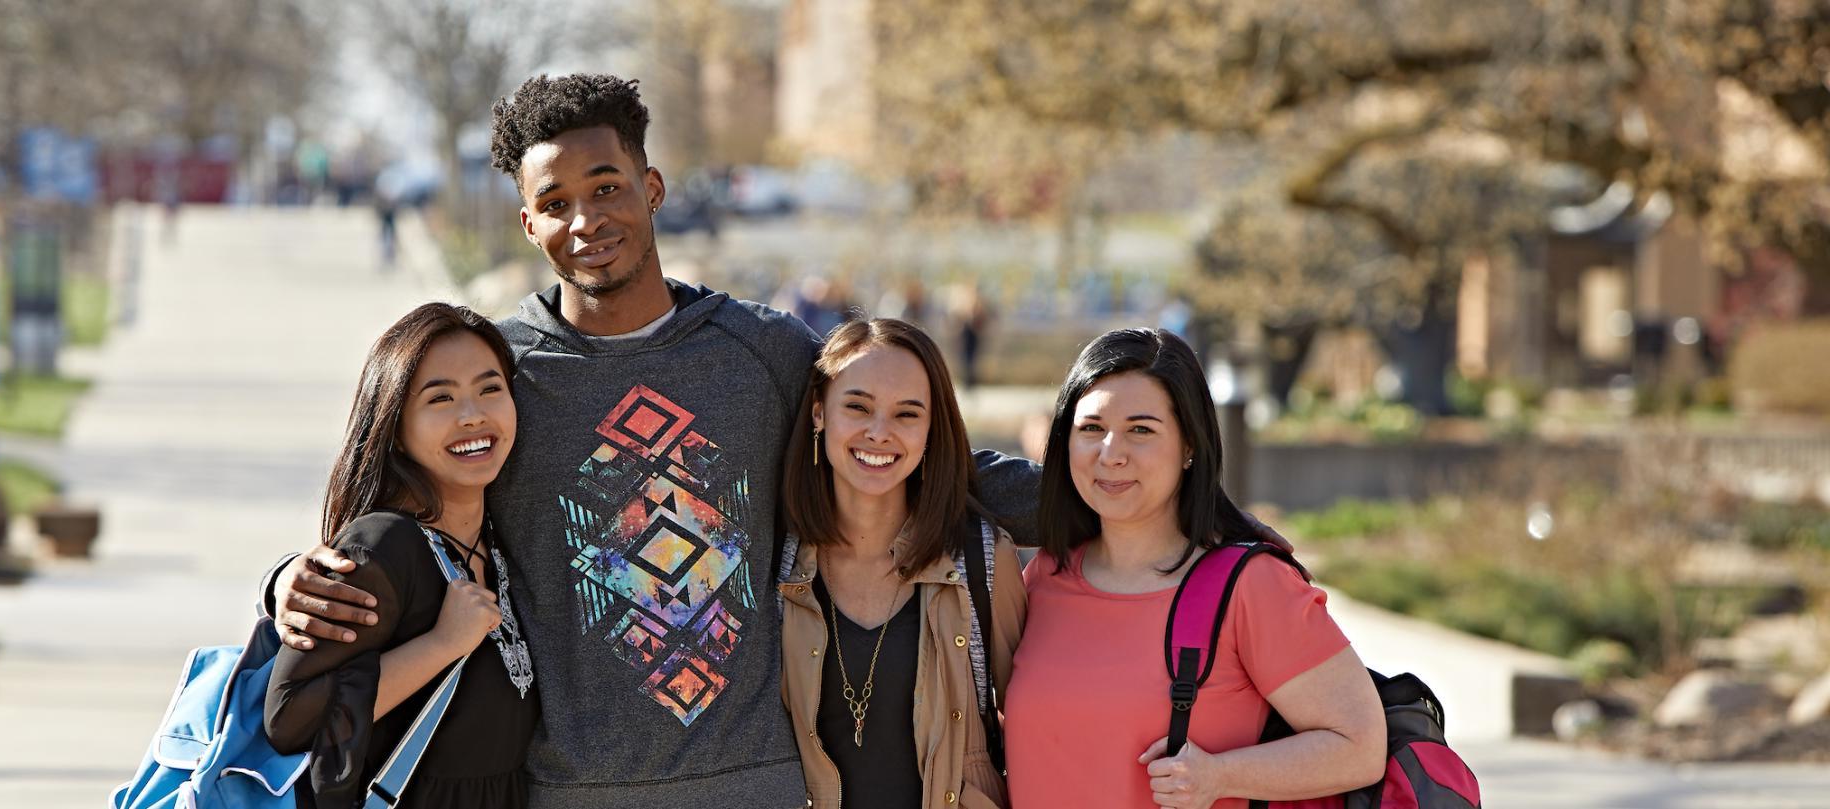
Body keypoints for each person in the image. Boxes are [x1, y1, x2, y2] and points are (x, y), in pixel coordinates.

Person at [256, 74, 1042, 808]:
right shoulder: (500, 373)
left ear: (653, 188)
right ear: (528, 222)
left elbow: (906, 454)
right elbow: (401, 506)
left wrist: (1112, 492)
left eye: (607, 187)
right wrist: (288, 578)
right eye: (555, 201)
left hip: (753, 783)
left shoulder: (762, 350)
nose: (586, 220)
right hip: (570, 788)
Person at [1002, 329, 1384, 809]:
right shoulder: (1045, 575)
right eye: (1091, 429)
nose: (1110, 453)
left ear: (1189, 447)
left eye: (1141, 430)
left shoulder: (1250, 586)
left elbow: (1360, 746)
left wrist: (1219, 776)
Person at [260, 303, 537, 808]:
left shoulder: (504, 541)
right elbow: (291, 717)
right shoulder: (384, 547)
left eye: (490, 389)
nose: (472, 414)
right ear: (396, 426)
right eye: (441, 398)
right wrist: (442, 644)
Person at [776, 319, 1026, 809]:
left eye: (906, 415)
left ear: (933, 428)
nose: (878, 433)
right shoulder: (773, 562)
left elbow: (1033, 726)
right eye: (858, 407)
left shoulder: (982, 558)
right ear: (819, 411)